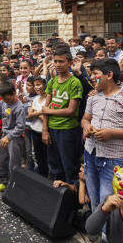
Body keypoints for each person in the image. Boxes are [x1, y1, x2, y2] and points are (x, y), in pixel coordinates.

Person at [82, 59, 123, 211]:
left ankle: (107, 234)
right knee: (94, 197)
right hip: (91, 152)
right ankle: (95, 230)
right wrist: (86, 127)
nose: (91, 77)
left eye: (95, 74)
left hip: (115, 159)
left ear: (109, 75)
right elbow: (85, 119)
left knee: (109, 201)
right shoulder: (93, 97)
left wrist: (112, 134)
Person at [42, 45, 83, 182]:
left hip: (67, 130)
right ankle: (57, 196)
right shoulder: (52, 81)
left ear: (70, 63)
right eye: (55, 61)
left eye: (61, 61)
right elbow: (45, 109)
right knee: (54, 166)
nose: (58, 64)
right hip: (52, 129)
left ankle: (73, 196)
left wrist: (49, 111)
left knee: (69, 166)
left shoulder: (74, 82)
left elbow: (71, 111)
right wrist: (45, 130)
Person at [0, 81, 25, 193]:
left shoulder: (19, 107)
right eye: (3, 99)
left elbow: (20, 127)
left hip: (15, 138)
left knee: (13, 163)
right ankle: (3, 182)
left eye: (7, 99)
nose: (5, 101)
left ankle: (14, 185)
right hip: (4, 135)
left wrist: (9, 137)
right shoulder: (3, 102)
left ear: (14, 93)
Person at [28, 76, 49, 177]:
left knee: (47, 156)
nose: (36, 87)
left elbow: (45, 117)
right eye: (35, 85)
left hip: (44, 131)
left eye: (39, 84)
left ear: (45, 85)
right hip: (34, 130)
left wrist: (36, 113)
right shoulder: (36, 99)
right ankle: (42, 175)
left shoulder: (48, 99)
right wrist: (41, 112)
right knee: (37, 155)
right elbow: (29, 115)